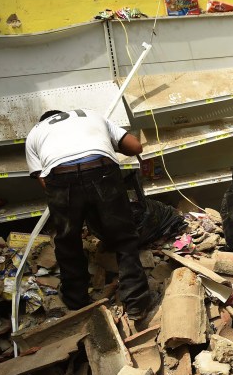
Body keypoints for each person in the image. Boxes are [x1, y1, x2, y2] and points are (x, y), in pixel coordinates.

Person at [25, 109, 159, 322]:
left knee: (68, 242)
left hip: (60, 179)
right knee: (124, 238)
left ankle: (76, 301)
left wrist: (76, 205)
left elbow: (45, 183)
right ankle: (136, 304)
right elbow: (136, 147)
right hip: (102, 170)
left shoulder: (35, 133)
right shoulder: (91, 115)